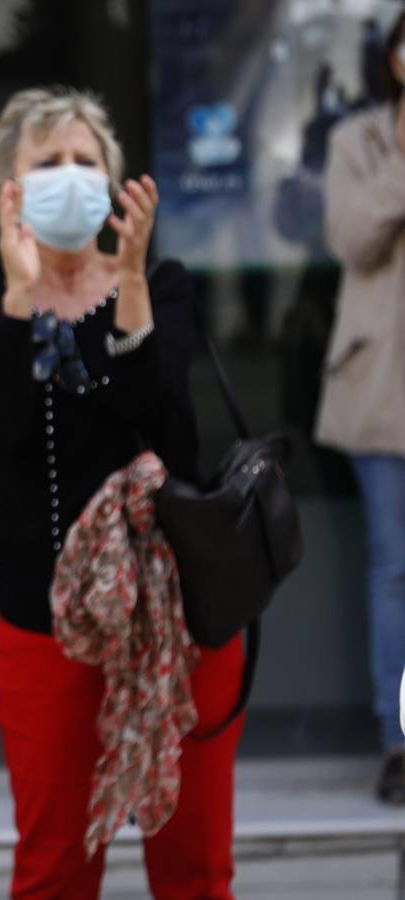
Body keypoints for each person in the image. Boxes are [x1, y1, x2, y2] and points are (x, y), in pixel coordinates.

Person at [0, 88, 242, 899]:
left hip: (180, 623)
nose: (70, 177)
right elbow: (4, 434)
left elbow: (168, 434)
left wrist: (136, 282)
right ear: (7, 190)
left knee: (194, 868)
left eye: (86, 161)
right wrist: (19, 296)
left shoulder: (166, 284)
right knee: (53, 868)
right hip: (48, 631)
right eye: (48, 163)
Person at [316, 8, 405, 806]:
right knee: (395, 569)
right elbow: (351, 237)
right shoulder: (360, 141)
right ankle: (397, 738)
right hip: (384, 387)